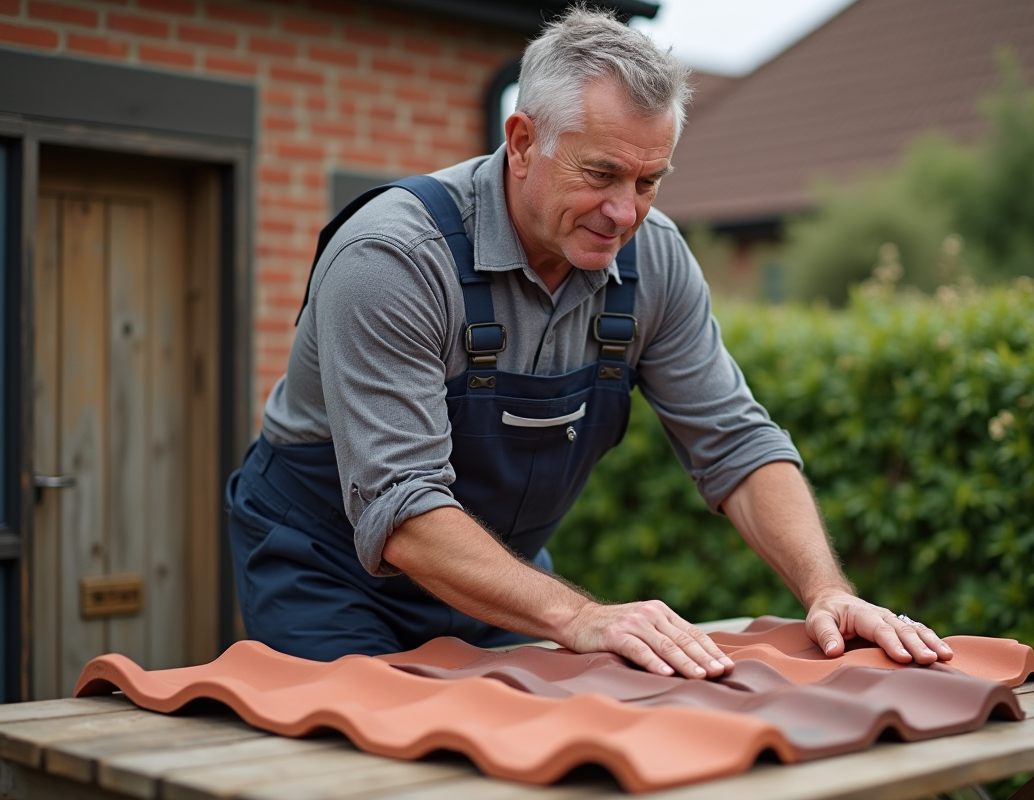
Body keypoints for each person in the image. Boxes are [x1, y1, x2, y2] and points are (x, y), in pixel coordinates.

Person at [227, 7, 954, 678]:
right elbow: (402, 510)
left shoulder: (654, 261)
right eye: (602, 174)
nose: (623, 212)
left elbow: (735, 443)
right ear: (522, 142)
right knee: (364, 766)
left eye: (648, 181)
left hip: (497, 578)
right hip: (328, 572)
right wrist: (576, 615)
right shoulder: (394, 260)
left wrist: (826, 590)